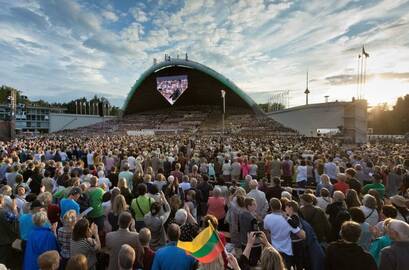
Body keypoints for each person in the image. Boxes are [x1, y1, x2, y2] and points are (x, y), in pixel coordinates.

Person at [263, 198, 305, 268]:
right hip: (287, 251)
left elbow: (266, 232)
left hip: (274, 249)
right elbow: (302, 236)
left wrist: (270, 241)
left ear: (271, 207)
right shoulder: (287, 219)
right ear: (281, 206)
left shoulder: (267, 218)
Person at [239, 197, 261, 267]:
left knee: (245, 263)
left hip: (243, 242)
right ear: (248, 206)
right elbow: (255, 232)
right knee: (252, 264)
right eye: (254, 204)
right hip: (253, 245)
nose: (256, 206)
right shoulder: (253, 218)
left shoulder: (241, 214)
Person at [0, 194, 19, 267]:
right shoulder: (5, 212)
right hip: (4, 241)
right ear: (2, 201)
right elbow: (16, 220)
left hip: (4, 240)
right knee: (3, 262)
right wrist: (14, 209)